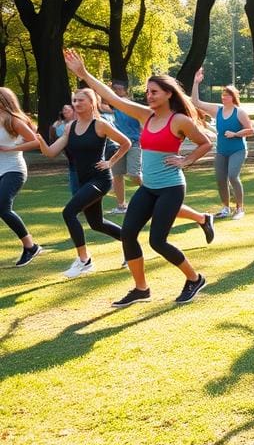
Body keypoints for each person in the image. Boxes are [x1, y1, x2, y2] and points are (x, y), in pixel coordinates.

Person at [64, 50, 213, 307]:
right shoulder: (146, 116)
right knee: (129, 234)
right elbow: (111, 97)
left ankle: (194, 278)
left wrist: (186, 160)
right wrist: (83, 73)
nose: (149, 95)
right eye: (147, 91)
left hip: (170, 188)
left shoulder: (180, 120)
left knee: (157, 241)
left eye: (154, 91)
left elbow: (205, 143)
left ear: (168, 93)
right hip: (149, 187)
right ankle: (141, 289)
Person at [34, 88, 131, 278]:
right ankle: (131, 244)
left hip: (100, 179)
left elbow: (125, 142)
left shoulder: (100, 125)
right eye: (74, 101)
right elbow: (51, 153)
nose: (76, 104)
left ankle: (84, 261)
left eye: (80, 101)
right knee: (96, 224)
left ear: (92, 102)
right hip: (83, 180)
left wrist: (110, 162)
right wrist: (39, 140)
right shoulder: (70, 127)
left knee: (69, 212)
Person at [192, 69, 253, 219]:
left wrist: (236, 134)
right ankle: (225, 208)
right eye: (223, 95)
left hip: (237, 150)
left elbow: (251, 129)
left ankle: (240, 209)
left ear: (233, 98)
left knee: (233, 176)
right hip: (221, 151)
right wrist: (195, 83)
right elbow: (196, 102)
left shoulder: (239, 112)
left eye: (227, 95)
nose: (224, 97)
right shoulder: (217, 110)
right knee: (220, 179)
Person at [0, 87, 42, 267]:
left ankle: (30, 247)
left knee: (2, 207)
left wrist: (11, 149)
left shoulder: (13, 120)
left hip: (14, 169)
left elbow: (36, 141)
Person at [108, 80, 143, 214]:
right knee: (117, 175)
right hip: (119, 145)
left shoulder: (134, 107)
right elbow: (100, 101)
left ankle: (155, 194)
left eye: (119, 89)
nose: (116, 91)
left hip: (134, 143)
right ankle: (122, 206)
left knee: (134, 175)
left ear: (126, 91)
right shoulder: (115, 107)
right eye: (114, 89)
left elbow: (142, 124)